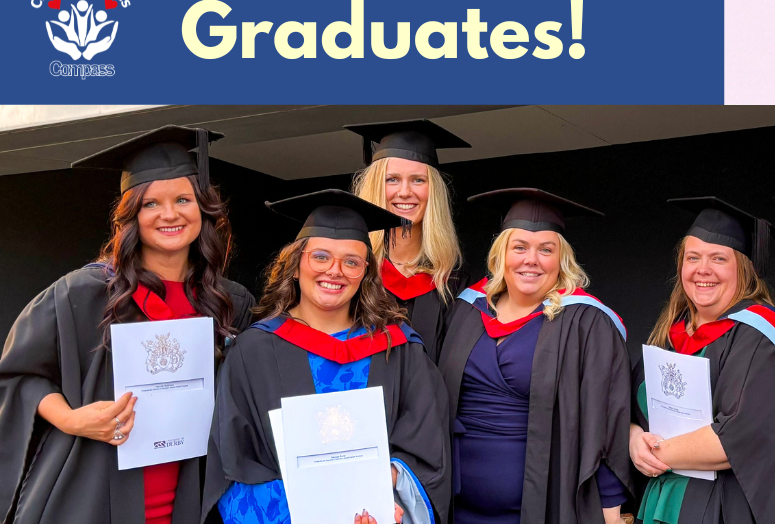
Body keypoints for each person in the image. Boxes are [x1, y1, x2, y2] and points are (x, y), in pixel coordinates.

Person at [0, 125, 256, 524]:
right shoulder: (82, 294)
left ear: (202, 208)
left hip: (188, 501)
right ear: (130, 215)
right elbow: (18, 375)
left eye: (183, 199)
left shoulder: (229, 302)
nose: (169, 214)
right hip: (89, 495)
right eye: (151, 203)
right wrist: (71, 418)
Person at [204, 190, 451, 524]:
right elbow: (233, 463)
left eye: (351, 261)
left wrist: (380, 494)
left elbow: (426, 448)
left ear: (365, 273)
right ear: (295, 266)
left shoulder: (399, 349)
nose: (335, 271)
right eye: (320, 257)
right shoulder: (253, 352)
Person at [438, 188, 631, 524]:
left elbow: (608, 416)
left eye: (546, 249)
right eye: (520, 247)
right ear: (501, 255)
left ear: (562, 259)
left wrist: (610, 508)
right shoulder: (466, 311)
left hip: (543, 508)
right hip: (455, 508)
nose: (531, 260)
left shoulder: (584, 322)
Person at [631, 197, 775, 524]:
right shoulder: (672, 334)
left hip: (725, 509)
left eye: (718, 258)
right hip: (660, 504)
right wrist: (632, 440)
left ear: (744, 268)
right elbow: (632, 408)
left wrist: (654, 453)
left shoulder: (763, 336)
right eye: (693, 257)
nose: (703, 270)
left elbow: (740, 437)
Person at [346, 119, 471, 364]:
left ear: (432, 191)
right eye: (392, 179)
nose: (405, 191)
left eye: (418, 180)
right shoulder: (352, 270)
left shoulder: (453, 281)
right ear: (375, 187)